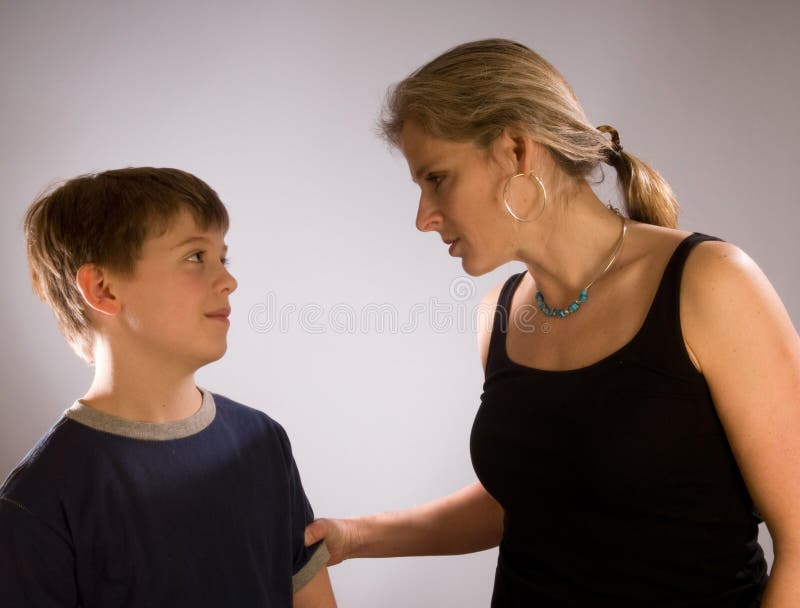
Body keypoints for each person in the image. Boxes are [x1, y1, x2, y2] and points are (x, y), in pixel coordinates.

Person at [304, 39, 800, 606]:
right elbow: (527, 500)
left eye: (436, 179)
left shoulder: (710, 283)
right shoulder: (502, 315)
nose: (423, 218)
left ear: (515, 149)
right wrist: (354, 537)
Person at [0, 168, 336, 607]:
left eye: (223, 258)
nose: (228, 281)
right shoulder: (39, 503)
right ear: (102, 289)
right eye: (195, 257)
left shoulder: (263, 442)